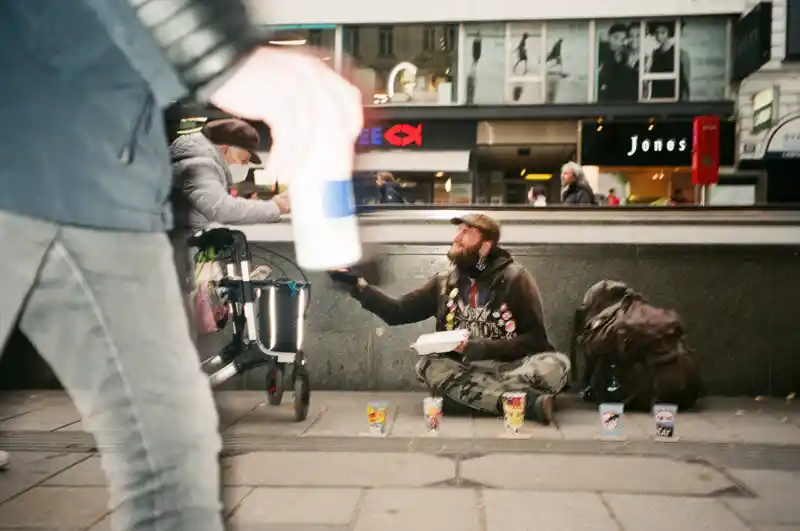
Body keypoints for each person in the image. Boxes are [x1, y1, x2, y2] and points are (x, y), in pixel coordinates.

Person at [0, 2, 361, 531]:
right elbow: (219, 208)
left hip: (106, 168)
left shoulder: (176, 152)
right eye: (245, 158)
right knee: (170, 462)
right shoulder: (198, 157)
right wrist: (220, 48)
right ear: (234, 146)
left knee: (173, 461)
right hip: (73, 153)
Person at [335, 214, 571, 425]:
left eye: (467, 232)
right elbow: (399, 312)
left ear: (485, 246)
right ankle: (525, 403)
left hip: (512, 367)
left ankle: (469, 399)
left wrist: (483, 348)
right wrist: (359, 287)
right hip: (464, 369)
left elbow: (536, 340)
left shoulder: (515, 278)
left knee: (557, 363)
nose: (457, 237)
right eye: (458, 230)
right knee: (429, 364)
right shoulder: (444, 281)